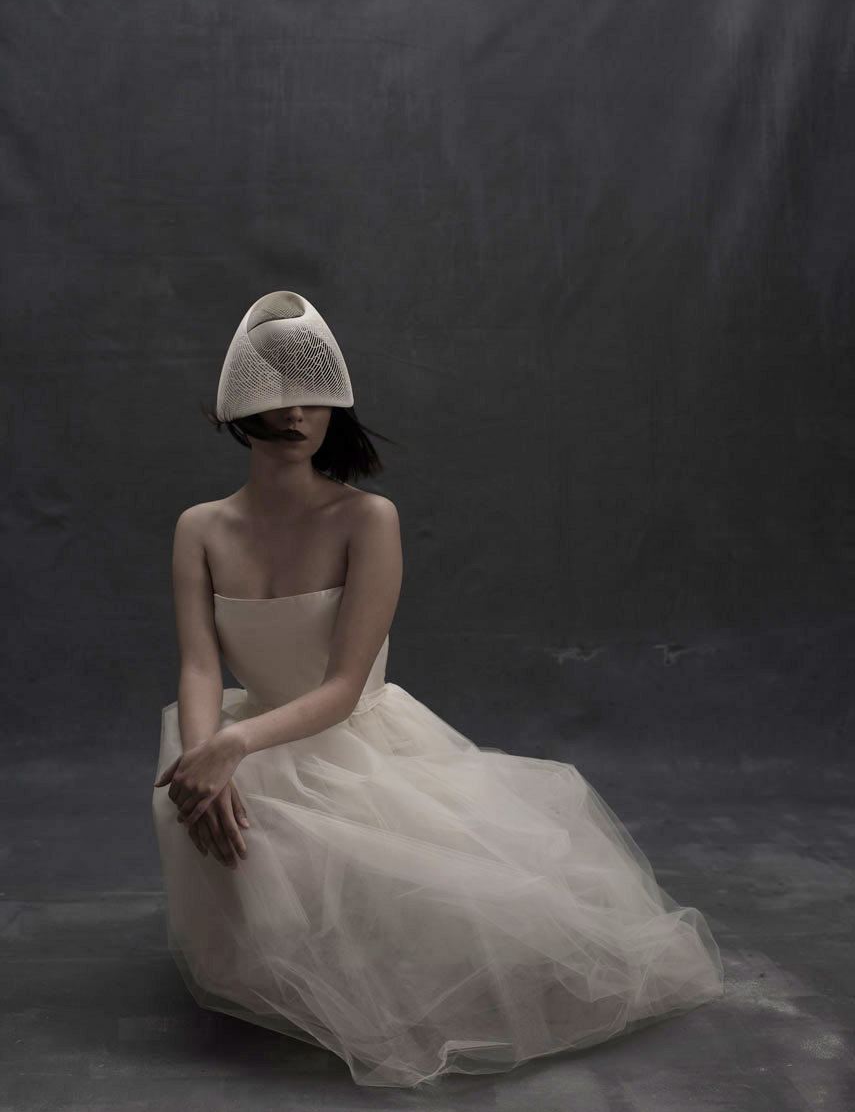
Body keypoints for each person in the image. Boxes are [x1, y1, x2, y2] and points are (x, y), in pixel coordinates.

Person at [151, 290, 725, 1089]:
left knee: (467, 936)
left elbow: (344, 687)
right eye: (274, 391)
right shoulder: (199, 527)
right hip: (249, 740)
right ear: (238, 407)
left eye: (313, 390)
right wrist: (203, 758)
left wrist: (233, 743)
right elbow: (200, 666)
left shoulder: (367, 519)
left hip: (351, 741)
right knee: (220, 817)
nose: (296, 411)